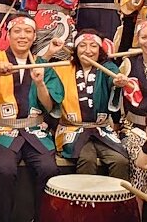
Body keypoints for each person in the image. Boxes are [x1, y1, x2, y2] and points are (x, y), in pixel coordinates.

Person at [0, 14, 63, 222]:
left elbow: (49, 106)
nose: (22, 36)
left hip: (35, 131)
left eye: (28, 32)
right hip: (3, 131)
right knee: (5, 170)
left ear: (34, 36)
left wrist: (40, 83)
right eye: (17, 31)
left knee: (48, 169)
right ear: (8, 35)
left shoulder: (42, 64)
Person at [51, 31, 135, 180]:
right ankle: (84, 195)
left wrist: (117, 82)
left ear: (100, 49)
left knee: (120, 160)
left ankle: (116, 195)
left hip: (101, 129)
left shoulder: (107, 67)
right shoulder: (63, 68)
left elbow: (113, 77)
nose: (88, 50)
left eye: (93, 46)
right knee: (87, 159)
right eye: (82, 46)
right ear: (76, 49)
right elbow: (44, 74)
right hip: (72, 130)